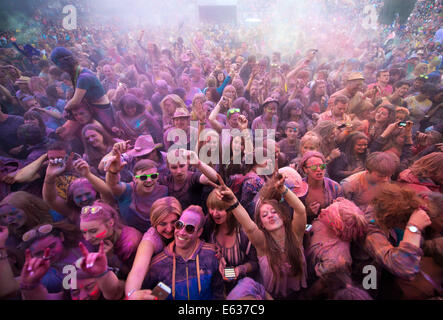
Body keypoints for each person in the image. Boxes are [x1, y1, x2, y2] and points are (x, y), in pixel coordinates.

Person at [210, 172, 307, 299]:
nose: (270, 215)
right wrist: (233, 201)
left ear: (283, 216)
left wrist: (283, 189)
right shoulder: (263, 243)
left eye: (274, 212)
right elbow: (249, 226)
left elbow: (301, 210)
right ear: (262, 224)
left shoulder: (295, 235)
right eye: (265, 215)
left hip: (300, 294)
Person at [363, 183, 432, 299]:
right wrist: (413, 228)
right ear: (393, 220)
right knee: (371, 292)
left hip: (387, 269)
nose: (402, 226)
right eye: (402, 223)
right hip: (370, 270)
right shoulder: (372, 230)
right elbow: (405, 268)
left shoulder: (387, 211)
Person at [142, 205, 224, 300]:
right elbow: (151, 295)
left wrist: (238, 270)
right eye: (179, 225)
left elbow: (220, 291)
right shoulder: (158, 265)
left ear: (199, 232)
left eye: (189, 228)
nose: (181, 232)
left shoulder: (211, 254)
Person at [125, 197, 182, 299]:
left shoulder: (185, 228)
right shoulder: (150, 239)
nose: (169, 229)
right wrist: (132, 294)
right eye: (163, 224)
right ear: (154, 223)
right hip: (159, 282)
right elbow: (138, 270)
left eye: (174, 222)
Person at [204, 189, 259, 294]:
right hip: (217, 288)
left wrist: (239, 270)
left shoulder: (242, 233)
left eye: (220, 208)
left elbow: (255, 263)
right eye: (212, 208)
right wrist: (215, 256)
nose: (215, 213)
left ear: (230, 209)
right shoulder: (209, 226)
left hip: (241, 289)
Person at [50, 47, 115, 132]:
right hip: (95, 109)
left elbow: (75, 102)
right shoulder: (78, 73)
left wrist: (65, 110)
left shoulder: (83, 77)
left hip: (102, 112)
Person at [105, 154, 168, 233]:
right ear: (135, 179)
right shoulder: (127, 191)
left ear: (157, 177)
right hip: (129, 235)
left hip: (155, 233)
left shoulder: (163, 191)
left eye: (153, 176)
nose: (149, 180)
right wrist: (113, 172)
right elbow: (113, 185)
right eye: (143, 177)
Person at [80, 201, 142, 276]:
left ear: (110, 223)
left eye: (93, 231)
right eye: (84, 232)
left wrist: (112, 258)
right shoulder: (100, 238)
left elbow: (135, 275)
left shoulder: (130, 244)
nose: (87, 238)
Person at [299, 151, 343, 223]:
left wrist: (338, 207)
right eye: (314, 167)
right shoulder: (298, 188)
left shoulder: (334, 187)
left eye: (322, 166)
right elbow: (290, 215)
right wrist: (306, 212)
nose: (319, 170)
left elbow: (342, 212)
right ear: (305, 169)